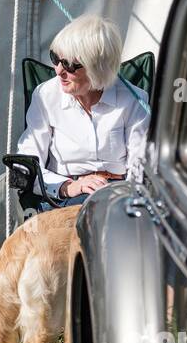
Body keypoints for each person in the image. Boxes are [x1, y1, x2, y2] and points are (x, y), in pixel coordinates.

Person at [17, 14, 149, 206]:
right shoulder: (45, 95)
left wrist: (121, 196)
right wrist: (66, 187)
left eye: (69, 65)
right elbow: (25, 165)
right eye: (55, 58)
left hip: (117, 197)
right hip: (63, 197)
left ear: (98, 67)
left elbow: (140, 168)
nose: (59, 71)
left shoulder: (133, 99)